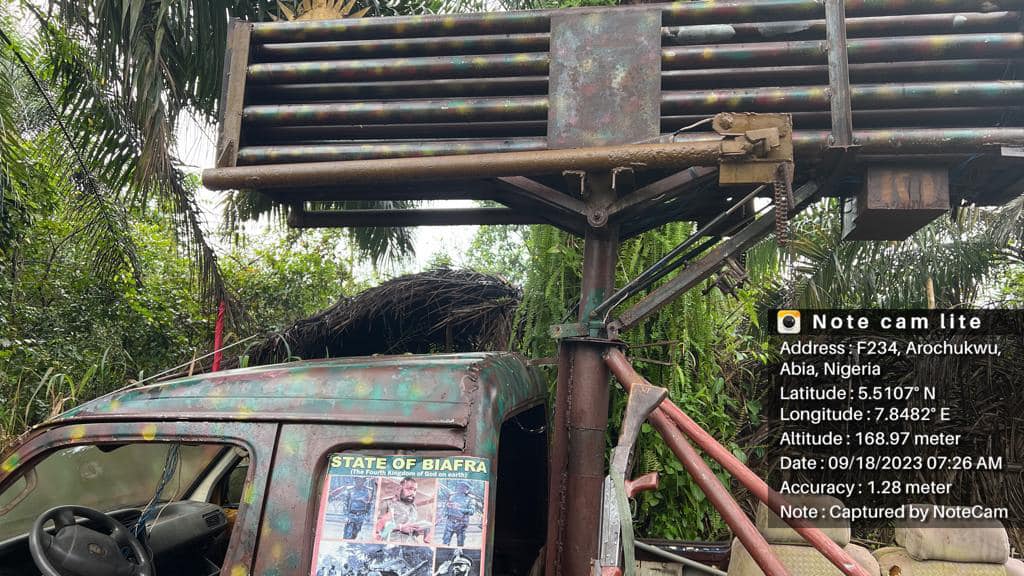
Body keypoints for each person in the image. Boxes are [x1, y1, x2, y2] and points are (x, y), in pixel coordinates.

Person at [375, 477, 433, 544]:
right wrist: (400, 528)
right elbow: (378, 528)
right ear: (400, 488)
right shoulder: (387, 503)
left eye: (414, 490)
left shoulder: (413, 507)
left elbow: (412, 530)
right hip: (392, 544)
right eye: (409, 489)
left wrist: (418, 529)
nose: (412, 493)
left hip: (412, 544)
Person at [441, 482, 476, 547]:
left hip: (461, 524)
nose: (461, 487)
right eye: (460, 486)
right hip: (450, 522)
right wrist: (447, 508)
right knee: (445, 542)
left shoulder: (470, 499)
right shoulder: (452, 496)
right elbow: (446, 507)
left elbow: (472, 511)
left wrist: (459, 509)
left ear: (467, 489)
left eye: (463, 486)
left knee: (460, 544)